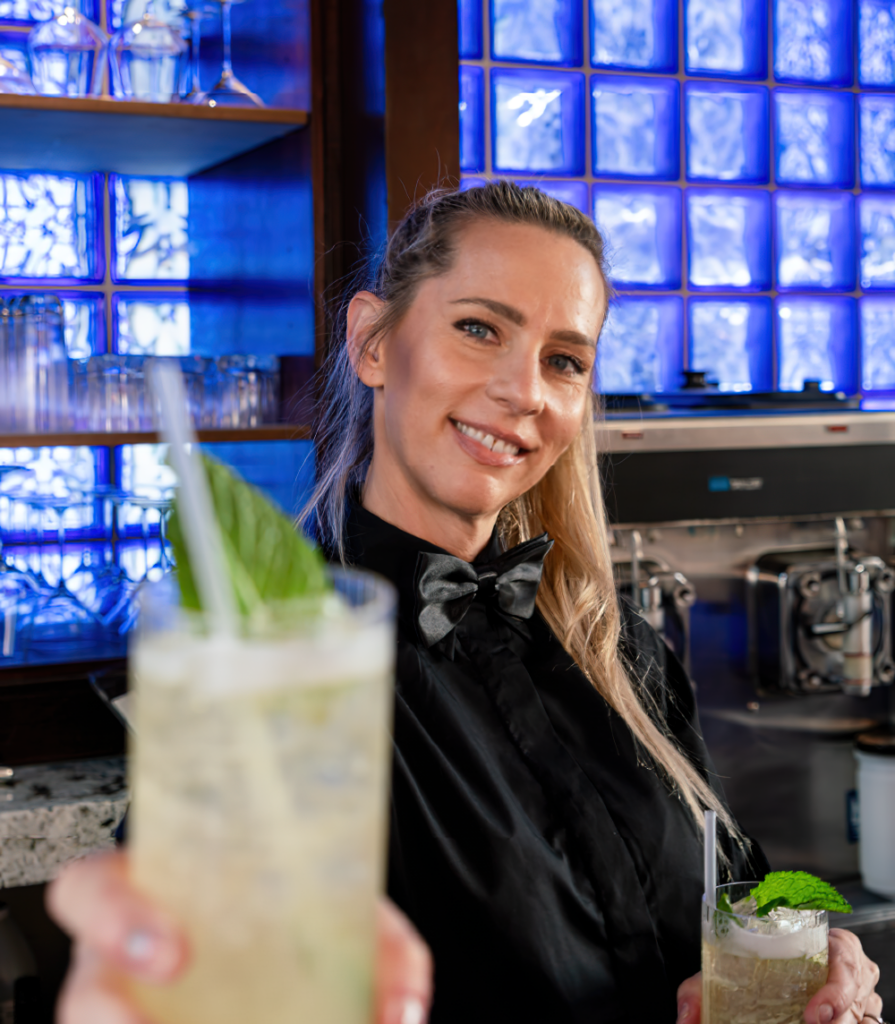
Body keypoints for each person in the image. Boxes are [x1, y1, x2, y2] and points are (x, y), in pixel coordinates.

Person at [48, 183, 883, 1024]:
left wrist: (812, 962)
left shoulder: (621, 647)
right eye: (479, 329)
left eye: (564, 359)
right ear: (372, 341)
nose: (524, 391)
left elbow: (736, 892)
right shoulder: (286, 677)